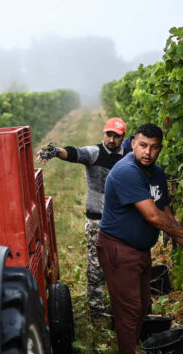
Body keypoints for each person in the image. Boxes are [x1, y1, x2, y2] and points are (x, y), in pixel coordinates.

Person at [97, 122, 183, 354]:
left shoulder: (156, 172)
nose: (147, 152)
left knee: (143, 305)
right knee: (129, 308)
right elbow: (153, 216)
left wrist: (181, 240)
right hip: (118, 248)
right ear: (131, 143)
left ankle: (133, 350)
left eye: (154, 148)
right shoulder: (127, 172)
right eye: (143, 145)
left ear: (160, 149)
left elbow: (164, 209)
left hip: (140, 249)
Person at [38, 117, 127, 320]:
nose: (112, 140)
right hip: (97, 219)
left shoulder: (128, 157)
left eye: (117, 136)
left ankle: (120, 306)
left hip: (122, 219)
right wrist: (57, 151)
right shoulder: (94, 153)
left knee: (121, 263)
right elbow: (74, 153)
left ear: (123, 138)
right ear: (103, 133)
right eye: (109, 134)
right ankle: (96, 312)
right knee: (97, 265)